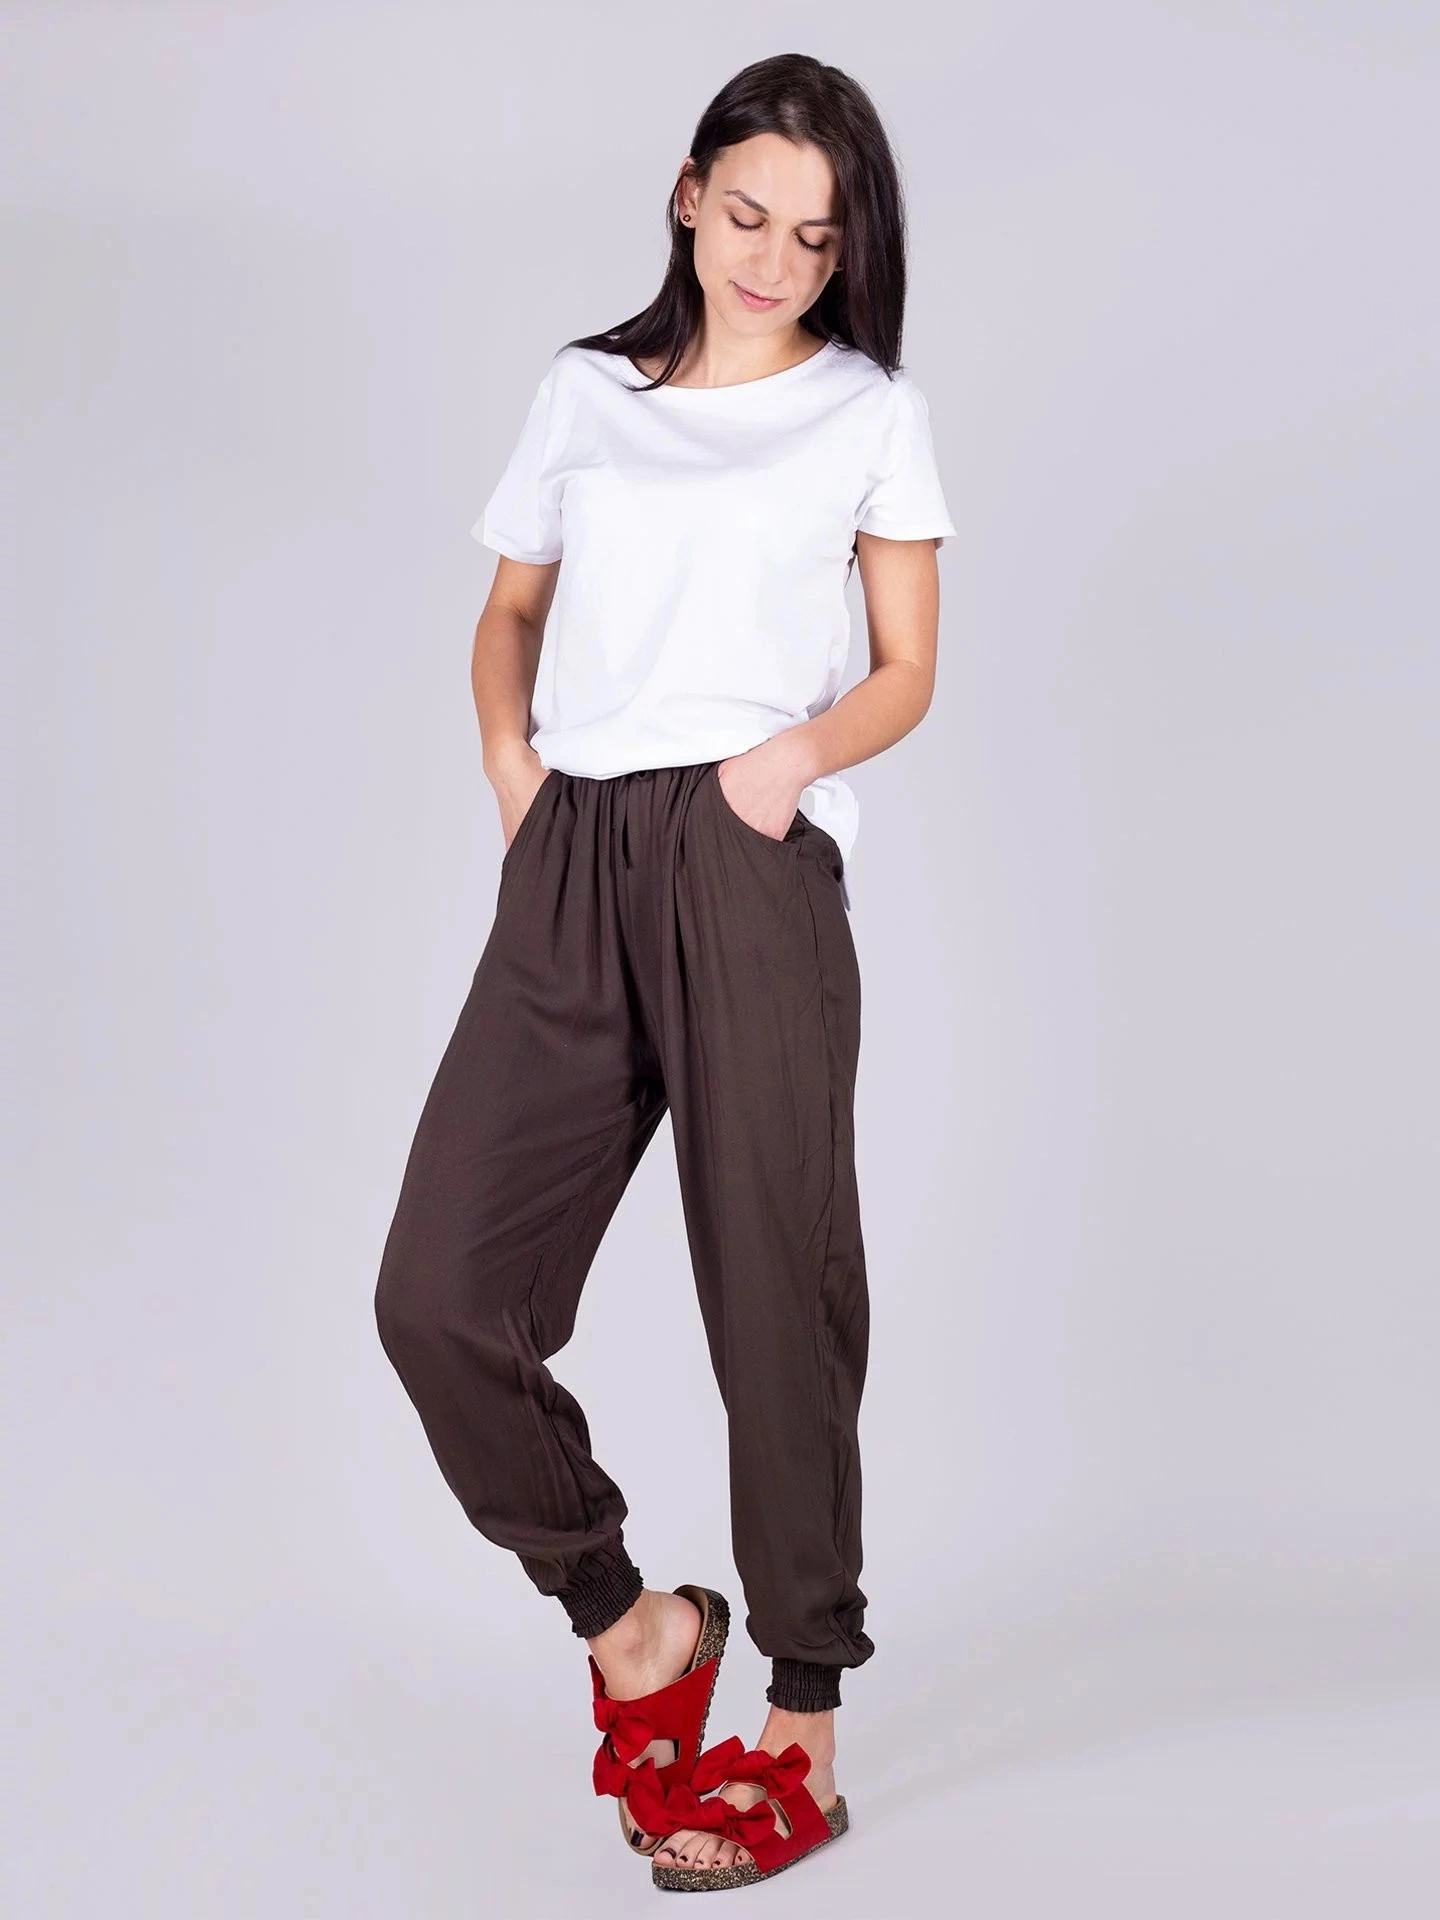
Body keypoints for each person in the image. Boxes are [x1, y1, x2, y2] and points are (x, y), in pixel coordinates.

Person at [374, 51, 955, 1892]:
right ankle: (631, 1625)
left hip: (744, 851)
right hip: (573, 856)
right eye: (750, 214)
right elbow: (512, 607)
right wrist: (510, 764)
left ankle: (801, 1726)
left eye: (818, 236)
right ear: (690, 194)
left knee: (777, 1293)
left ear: (848, 249)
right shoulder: (586, 392)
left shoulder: (868, 412)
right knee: (440, 1294)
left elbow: (906, 668)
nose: (776, 259)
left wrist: (781, 769)